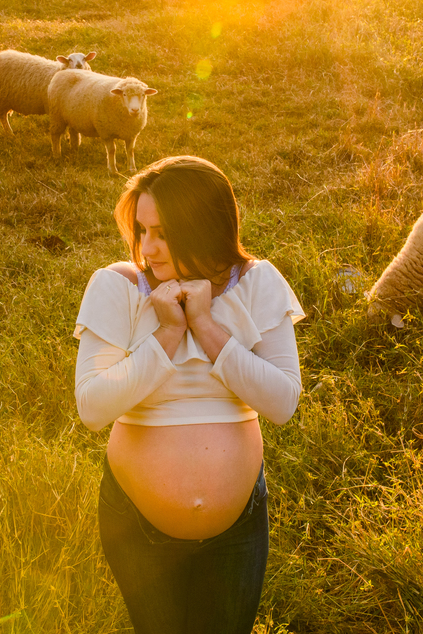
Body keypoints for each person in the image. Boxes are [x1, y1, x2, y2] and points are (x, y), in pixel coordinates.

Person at [73, 155, 305, 634]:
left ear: (203, 228)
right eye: (141, 231)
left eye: (163, 233)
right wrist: (169, 335)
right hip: (137, 527)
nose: (147, 248)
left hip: (237, 528)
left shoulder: (258, 283)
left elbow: (282, 402)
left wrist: (205, 324)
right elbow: (93, 406)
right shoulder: (117, 286)